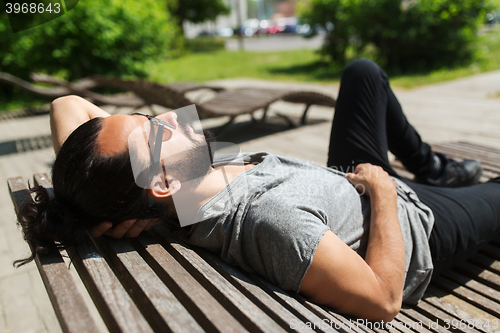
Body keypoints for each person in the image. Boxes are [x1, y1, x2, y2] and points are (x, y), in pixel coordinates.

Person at [15, 59, 500, 323]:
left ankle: (434, 165)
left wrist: (86, 198)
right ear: (160, 182)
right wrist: (387, 192)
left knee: (362, 74)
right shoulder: (268, 219)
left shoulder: (185, 179)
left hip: (342, 184)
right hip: (413, 224)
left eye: (144, 116)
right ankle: (437, 178)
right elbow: (382, 299)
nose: (165, 120)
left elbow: (67, 104)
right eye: (151, 129)